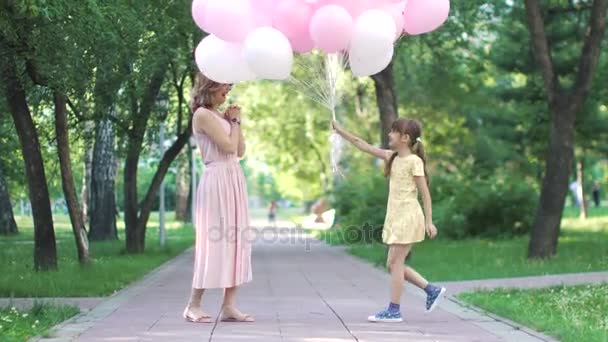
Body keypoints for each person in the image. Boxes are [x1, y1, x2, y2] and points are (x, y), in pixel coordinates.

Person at [332, 118, 446, 323]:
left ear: (405, 138)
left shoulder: (414, 161)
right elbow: (362, 144)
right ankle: (431, 290)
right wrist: (341, 131)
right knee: (392, 264)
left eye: (393, 132)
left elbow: (425, 194)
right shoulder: (391, 157)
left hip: (408, 217)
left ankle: (394, 310)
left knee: (396, 264)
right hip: (396, 217)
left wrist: (429, 221)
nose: (389, 135)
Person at [183, 73, 253, 323]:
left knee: (236, 240)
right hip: (217, 180)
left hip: (233, 177)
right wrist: (233, 122)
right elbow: (227, 147)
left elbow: (240, 150)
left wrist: (236, 123)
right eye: (224, 84)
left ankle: (229, 305)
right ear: (210, 86)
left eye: (229, 85)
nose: (228, 89)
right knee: (214, 242)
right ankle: (193, 305)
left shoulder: (221, 117)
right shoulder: (202, 114)